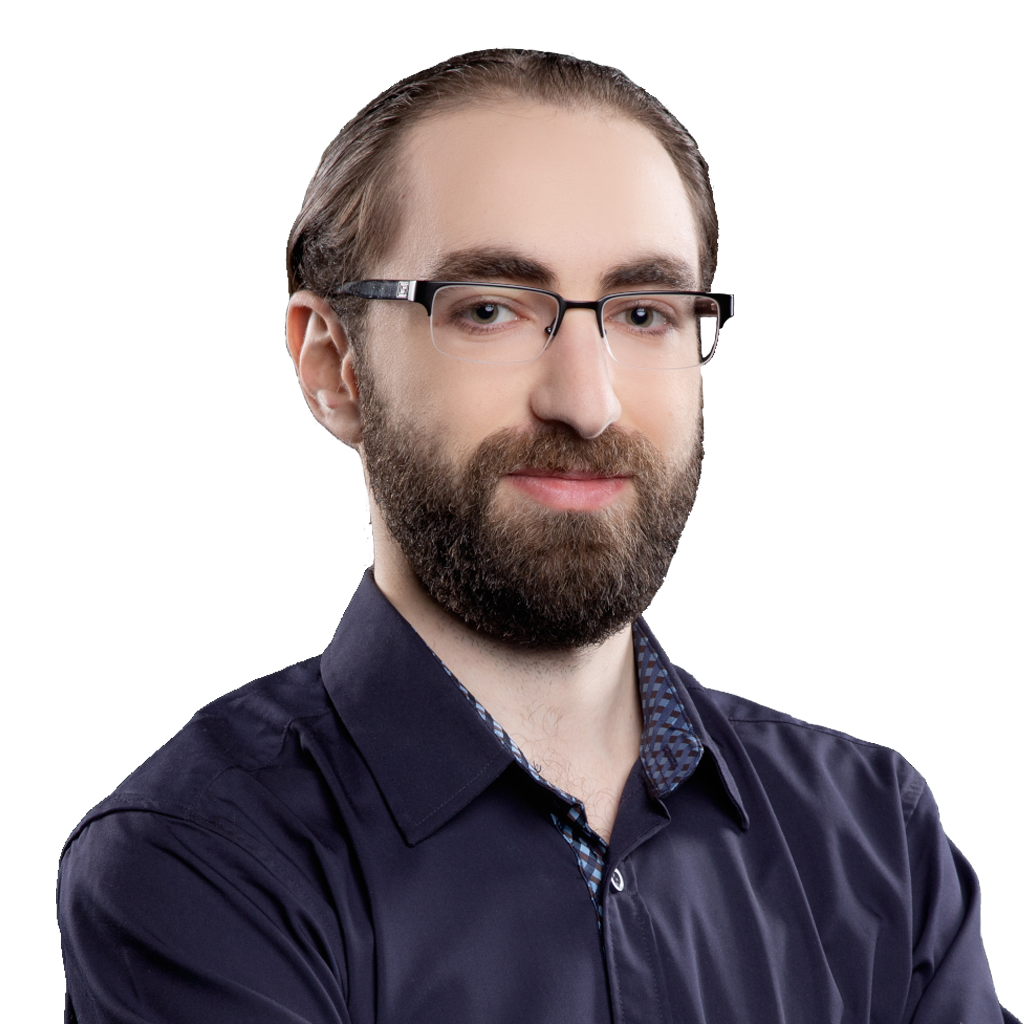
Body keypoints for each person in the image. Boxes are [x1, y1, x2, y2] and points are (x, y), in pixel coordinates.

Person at [57, 49, 1013, 1024]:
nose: (587, 402)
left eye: (643, 313)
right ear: (334, 367)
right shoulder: (200, 861)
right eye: (490, 310)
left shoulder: (876, 838)